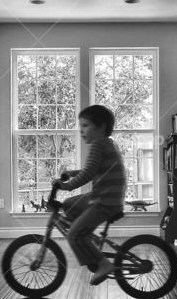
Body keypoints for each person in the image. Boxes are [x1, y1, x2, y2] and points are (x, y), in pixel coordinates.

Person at [54, 105, 127, 284]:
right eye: (80, 126)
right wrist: (72, 173)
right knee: (69, 204)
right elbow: (94, 169)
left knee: (72, 235)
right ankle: (85, 235)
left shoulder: (98, 145)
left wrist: (66, 186)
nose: (81, 130)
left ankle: (103, 263)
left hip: (104, 202)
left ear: (100, 127)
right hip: (104, 197)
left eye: (85, 125)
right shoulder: (107, 143)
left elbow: (88, 174)